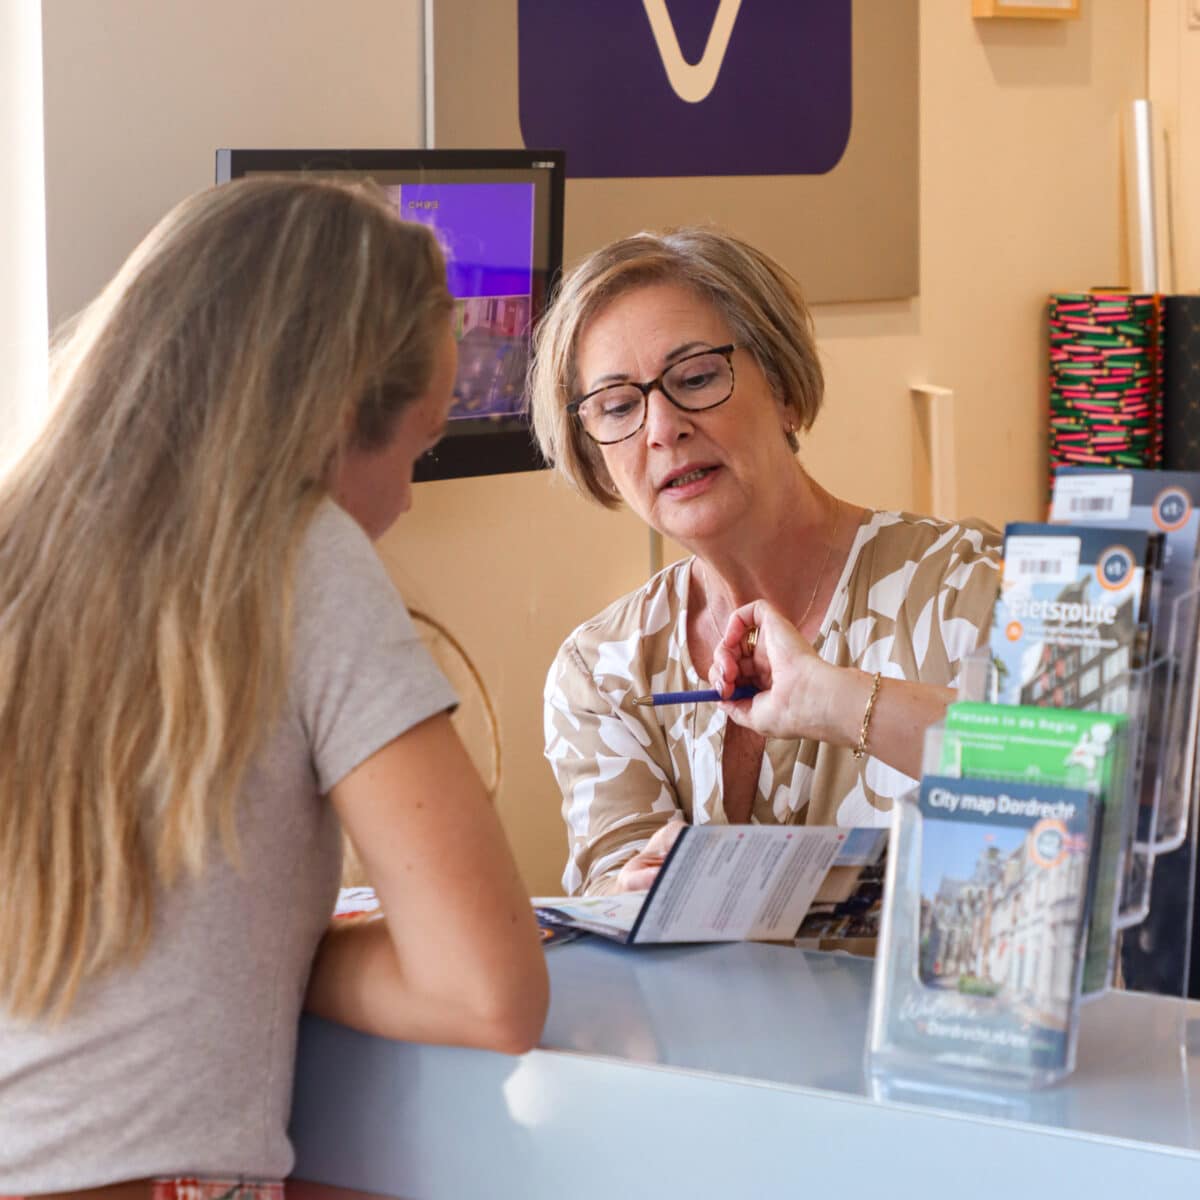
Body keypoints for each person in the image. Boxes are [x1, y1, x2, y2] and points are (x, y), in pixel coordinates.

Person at [0, 178, 548, 1195]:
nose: (407, 500)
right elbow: (486, 991)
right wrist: (273, 952)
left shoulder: (19, 547)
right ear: (334, 420)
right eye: (419, 447)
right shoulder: (302, 557)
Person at [530, 227, 1000, 896]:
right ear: (597, 456)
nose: (662, 429)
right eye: (618, 407)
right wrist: (626, 899)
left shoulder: (965, 586)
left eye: (696, 378)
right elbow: (611, 894)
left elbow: (1083, 784)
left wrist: (836, 701)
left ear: (784, 392)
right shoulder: (603, 670)